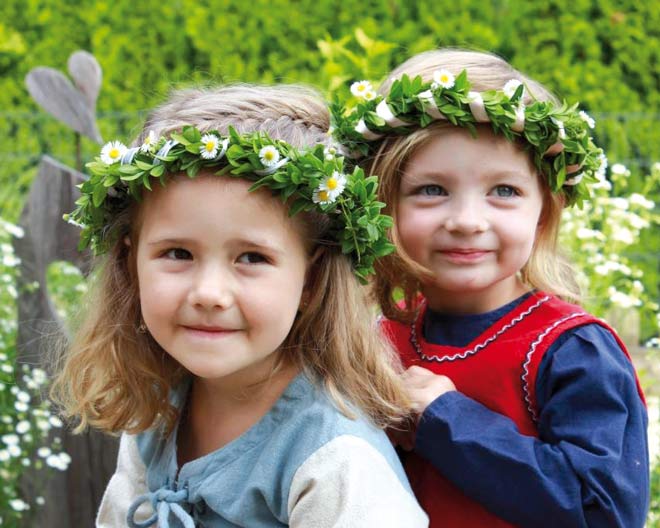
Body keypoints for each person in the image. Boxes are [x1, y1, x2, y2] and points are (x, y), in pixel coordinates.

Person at [51, 84, 429, 527]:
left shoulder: (334, 457)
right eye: (177, 253)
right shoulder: (158, 411)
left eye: (252, 258)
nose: (209, 293)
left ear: (311, 278)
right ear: (131, 263)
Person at [332, 49, 649, 527]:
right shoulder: (377, 338)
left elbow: (602, 510)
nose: (466, 221)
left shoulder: (572, 352)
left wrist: (444, 419)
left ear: (544, 209)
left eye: (504, 191)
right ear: (383, 202)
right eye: (432, 190)